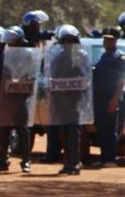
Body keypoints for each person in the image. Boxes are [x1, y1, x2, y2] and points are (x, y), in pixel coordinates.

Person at [0, 26, 36, 173]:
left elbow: (32, 74)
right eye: (9, 41)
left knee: (23, 130)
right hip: (6, 97)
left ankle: (26, 161)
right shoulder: (3, 54)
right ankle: (3, 161)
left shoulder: (28, 54)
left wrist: (22, 81)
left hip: (21, 97)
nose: (10, 43)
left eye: (13, 40)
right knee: (3, 129)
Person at [46, 25, 90, 175]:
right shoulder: (57, 58)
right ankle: (67, 162)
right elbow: (52, 76)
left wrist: (82, 84)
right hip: (61, 100)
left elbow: (87, 77)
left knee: (74, 132)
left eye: (71, 40)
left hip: (75, 100)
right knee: (63, 132)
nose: (68, 44)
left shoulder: (82, 56)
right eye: (66, 40)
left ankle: (76, 162)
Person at [91, 27, 125, 168]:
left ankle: (110, 159)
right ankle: (104, 158)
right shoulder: (103, 57)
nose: (106, 42)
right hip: (99, 98)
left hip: (112, 98)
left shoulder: (120, 58)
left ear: (115, 40)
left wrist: (115, 99)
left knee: (110, 129)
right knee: (101, 129)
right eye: (105, 39)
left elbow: (121, 80)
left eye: (109, 40)